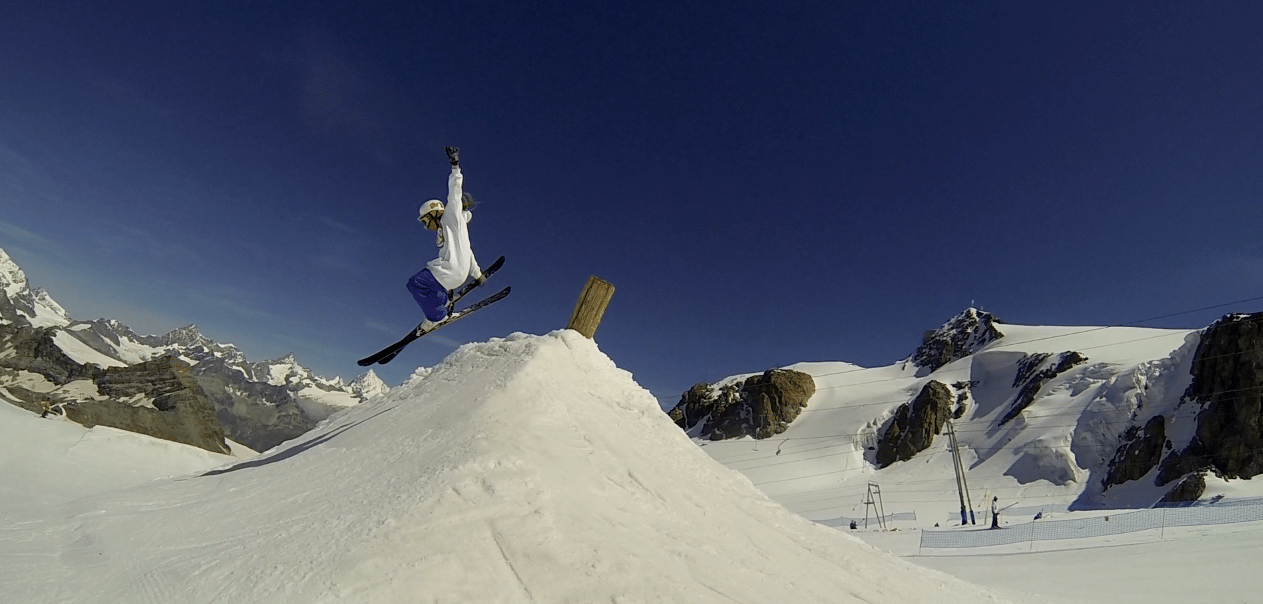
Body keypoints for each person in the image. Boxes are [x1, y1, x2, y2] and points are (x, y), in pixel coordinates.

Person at [406, 147, 484, 330]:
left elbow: (455, 193)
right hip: (457, 273)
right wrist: (477, 274)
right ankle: (442, 300)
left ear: (434, 214)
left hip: (450, 272)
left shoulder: (450, 217)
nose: (426, 226)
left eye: (426, 221)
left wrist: (455, 166)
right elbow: (466, 251)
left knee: (415, 283)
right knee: (426, 285)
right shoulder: (453, 230)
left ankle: (437, 315)